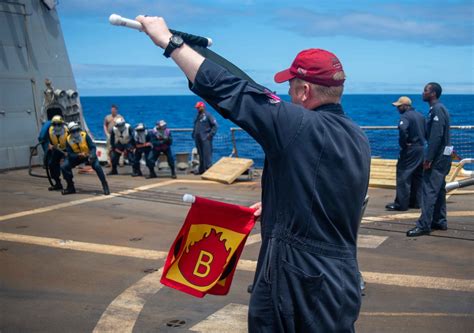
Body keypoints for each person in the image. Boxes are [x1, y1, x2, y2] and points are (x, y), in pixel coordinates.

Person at [137, 16, 371, 332]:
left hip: (299, 278)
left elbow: (234, 94)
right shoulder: (356, 136)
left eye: (290, 86)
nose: (287, 94)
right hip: (339, 278)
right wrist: (279, 206)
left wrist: (169, 43)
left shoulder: (300, 126)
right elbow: (329, 194)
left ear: (303, 90)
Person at [407, 83, 452, 237]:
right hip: (443, 157)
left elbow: (436, 137)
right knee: (439, 190)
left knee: (429, 190)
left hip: (438, 158)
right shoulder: (438, 109)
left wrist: (429, 158)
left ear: (432, 93)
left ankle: (424, 225)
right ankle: (439, 221)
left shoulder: (437, 110)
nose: (423, 92)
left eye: (425, 90)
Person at [385, 96, 426, 211]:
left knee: (404, 174)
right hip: (421, 148)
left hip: (410, 149)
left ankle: (401, 204)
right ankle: (416, 202)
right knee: (418, 176)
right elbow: (427, 131)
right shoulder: (421, 116)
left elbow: (403, 129)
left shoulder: (406, 116)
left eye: (399, 106)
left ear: (405, 106)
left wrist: (404, 143)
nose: (397, 108)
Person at [61, 122, 110, 195]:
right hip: (77, 157)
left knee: (97, 166)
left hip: (88, 155)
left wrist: (91, 156)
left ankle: (105, 185)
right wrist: (78, 155)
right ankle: (70, 187)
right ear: (70, 132)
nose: (76, 132)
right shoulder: (68, 140)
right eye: (73, 131)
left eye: (77, 130)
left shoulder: (85, 136)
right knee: (64, 166)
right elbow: (70, 154)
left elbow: (93, 147)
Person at [43, 115, 69, 191]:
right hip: (56, 150)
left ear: (62, 124)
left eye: (58, 124)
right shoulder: (50, 130)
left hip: (66, 151)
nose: (56, 126)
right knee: (51, 164)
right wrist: (49, 144)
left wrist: (68, 152)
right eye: (54, 124)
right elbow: (46, 139)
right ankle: (58, 183)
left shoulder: (67, 131)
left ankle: (70, 185)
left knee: (65, 167)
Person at [192, 101, 218, 174]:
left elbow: (215, 125)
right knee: (200, 155)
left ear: (203, 107)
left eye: (198, 107)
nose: (197, 109)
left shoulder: (208, 115)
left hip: (206, 138)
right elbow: (196, 126)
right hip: (198, 139)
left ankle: (209, 170)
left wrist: (210, 135)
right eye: (197, 108)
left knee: (207, 155)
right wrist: (193, 133)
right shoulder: (197, 116)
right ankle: (202, 170)